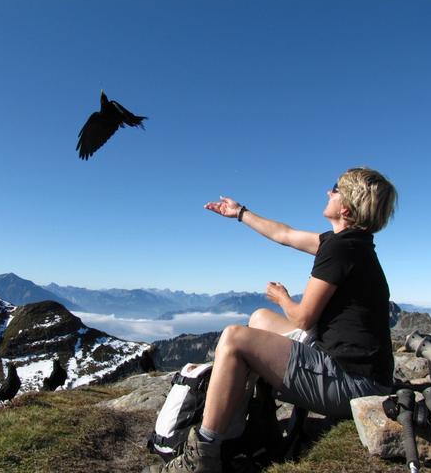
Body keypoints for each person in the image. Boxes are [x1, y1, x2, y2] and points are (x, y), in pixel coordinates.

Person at [143, 167, 398, 473]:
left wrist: (283, 298)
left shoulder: (341, 248)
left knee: (236, 338)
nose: (328, 192)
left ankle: (203, 456)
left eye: (336, 189)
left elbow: (303, 319)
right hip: (358, 374)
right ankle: (258, 424)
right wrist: (240, 213)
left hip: (354, 385)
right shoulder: (351, 243)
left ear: (345, 207)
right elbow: (285, 234)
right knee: (260, 318)